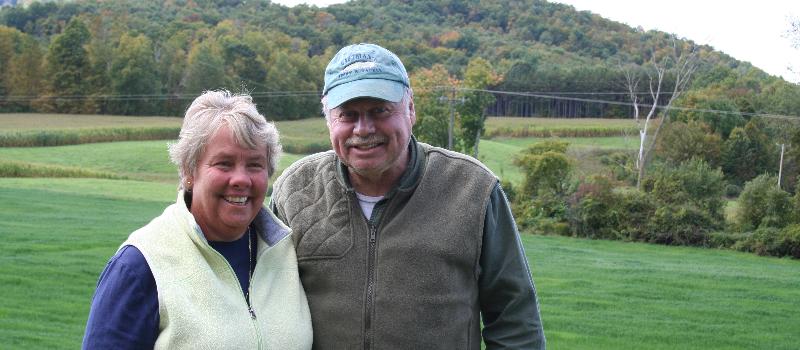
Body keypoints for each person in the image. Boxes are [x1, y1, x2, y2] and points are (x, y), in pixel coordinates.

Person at [270, 43, 545, 349]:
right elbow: (264, 303)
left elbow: (515, 319)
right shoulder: (294, 191)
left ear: (411, 109)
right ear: (328, 119)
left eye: (379, 110)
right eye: (347, 114)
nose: (363, 129)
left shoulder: (473, 189)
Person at [82, 90, 312, 349]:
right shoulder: (140, 265)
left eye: (255, 165)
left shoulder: (287, 252)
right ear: (188, 171)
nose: (241, 179)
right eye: (224, 164)